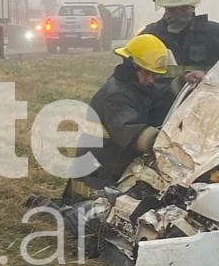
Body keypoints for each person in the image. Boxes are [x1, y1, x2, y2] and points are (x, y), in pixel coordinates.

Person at [73, 33, 177, 194]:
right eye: (147, 74)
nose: (151, 80)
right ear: (130, 68)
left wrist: (183, 82)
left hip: (114, 163)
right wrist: (171, 142)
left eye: (155, 75)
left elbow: (158, 94)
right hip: (98, 176)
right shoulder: (115, 96)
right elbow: (134, 134)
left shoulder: (134, 86)